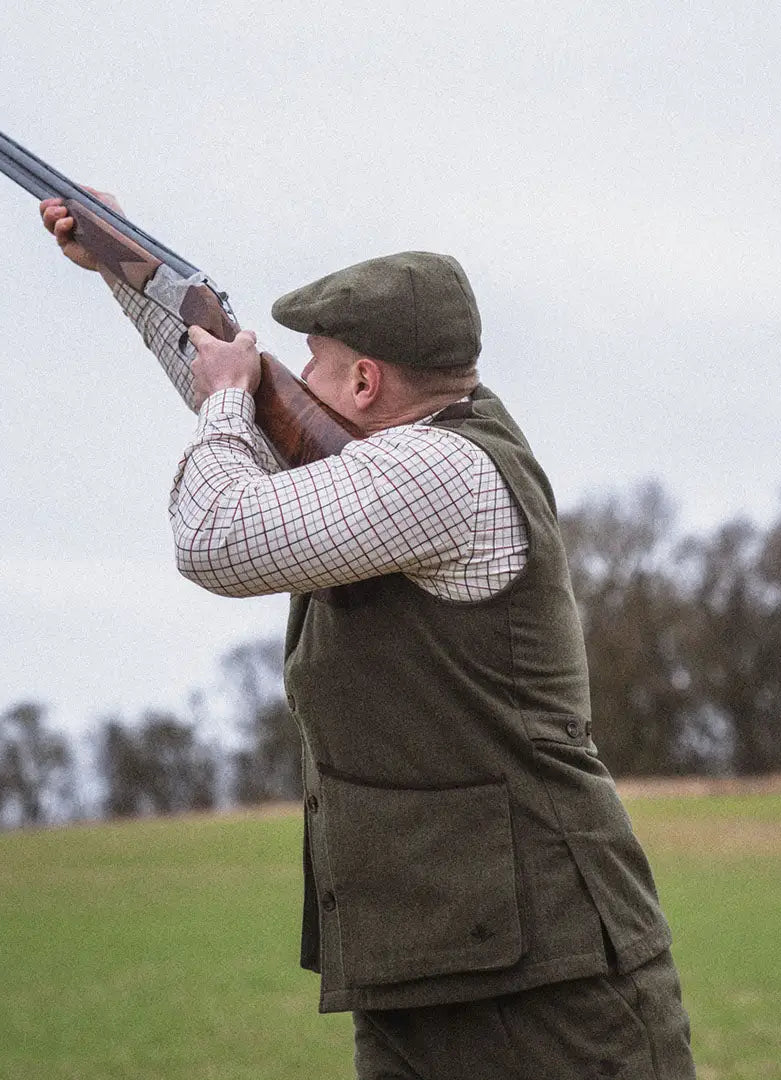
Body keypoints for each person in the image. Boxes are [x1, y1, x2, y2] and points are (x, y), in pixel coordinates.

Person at [41, 195, 696, 1079]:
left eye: (313, 363)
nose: (292, 378)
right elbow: (252, 423)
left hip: (550, 983)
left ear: (364, 384)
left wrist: (232, 399)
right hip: (424, 960)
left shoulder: (440, 470)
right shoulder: (396, 458)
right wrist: (136, 275)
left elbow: (215, 532)